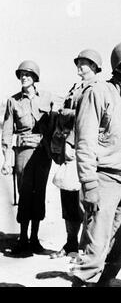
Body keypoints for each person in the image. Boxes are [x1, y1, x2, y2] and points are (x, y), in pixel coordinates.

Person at [70, 41, 121, 287]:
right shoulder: (98, 92)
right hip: (103, 180)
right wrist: (89, 184)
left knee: (118, 248)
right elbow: (84, 142)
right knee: (93, 250)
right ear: (119, 65)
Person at [49, 49, 102, 259]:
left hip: (83, 149)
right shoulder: (76, 87)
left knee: (85, 200)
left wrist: (71, 141)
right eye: (79, 62)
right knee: (68, 198)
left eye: (85, 62)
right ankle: (71, 243)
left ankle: (84, 247)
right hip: (68, 148)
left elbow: (86, 119)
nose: (80, 66)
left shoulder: (96, 88)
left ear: (95, 66)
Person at [1, 60, 53, 255]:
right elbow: (6, 133)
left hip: (43, 153)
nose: (24, 77)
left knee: (39, 194)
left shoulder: (47, 98)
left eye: (28, 75)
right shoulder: (13, 101)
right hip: (23, 153)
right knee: (24, 194)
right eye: (22, 74)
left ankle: (34, 239)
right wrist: (7, 159)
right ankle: (22, 239)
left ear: (35, 79)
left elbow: (55, 125)